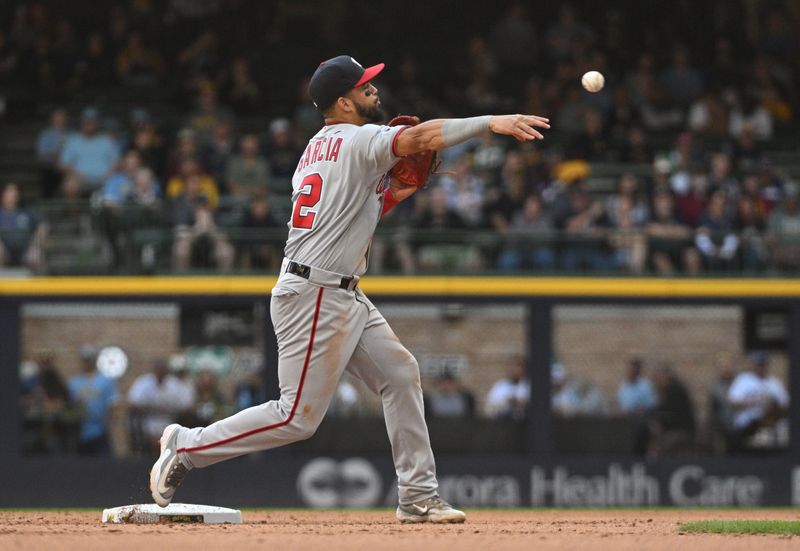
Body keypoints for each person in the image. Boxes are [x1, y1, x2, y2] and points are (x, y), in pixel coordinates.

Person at [149, 54, 549, 524]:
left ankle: (418, 495)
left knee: (400, 375)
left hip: (338, 289)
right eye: (364, 87)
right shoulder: (358, 139)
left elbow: (363, 213)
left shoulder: (316, 149)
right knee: (295, 417)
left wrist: (399, 190)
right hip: (315, 293)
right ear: (343, 102)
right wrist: (491, 122)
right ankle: (187, 445)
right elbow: (420, 137)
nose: (374, 90)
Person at [127, 358, 196, 454]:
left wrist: (171, 411)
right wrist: (151, 409)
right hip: (148, 419)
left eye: (162, 371)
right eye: (158, 371)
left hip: (170, 419)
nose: (160, 374)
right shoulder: (143, 382)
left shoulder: (175, 384)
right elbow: (133, 403)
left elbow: (188, 405)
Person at [726, 351, 789, 451]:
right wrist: (755, 402)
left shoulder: (774, 382)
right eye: (759, 364)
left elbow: (784, 404)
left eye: (763, 364)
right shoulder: (744, 379)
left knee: (783, 428)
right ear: (754, 365)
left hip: (770, 423)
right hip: (748, 423)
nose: (761, 367)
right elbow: (733, 402)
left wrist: (770, 406)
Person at [67, 345, 118, 455]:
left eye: (89, 359)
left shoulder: (105, 381)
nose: (86, 362)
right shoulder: (74, 382)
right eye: (84, 360)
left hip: (100, 431)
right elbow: (68, 406)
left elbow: (112, 404)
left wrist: (110, 422)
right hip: (79, 431)